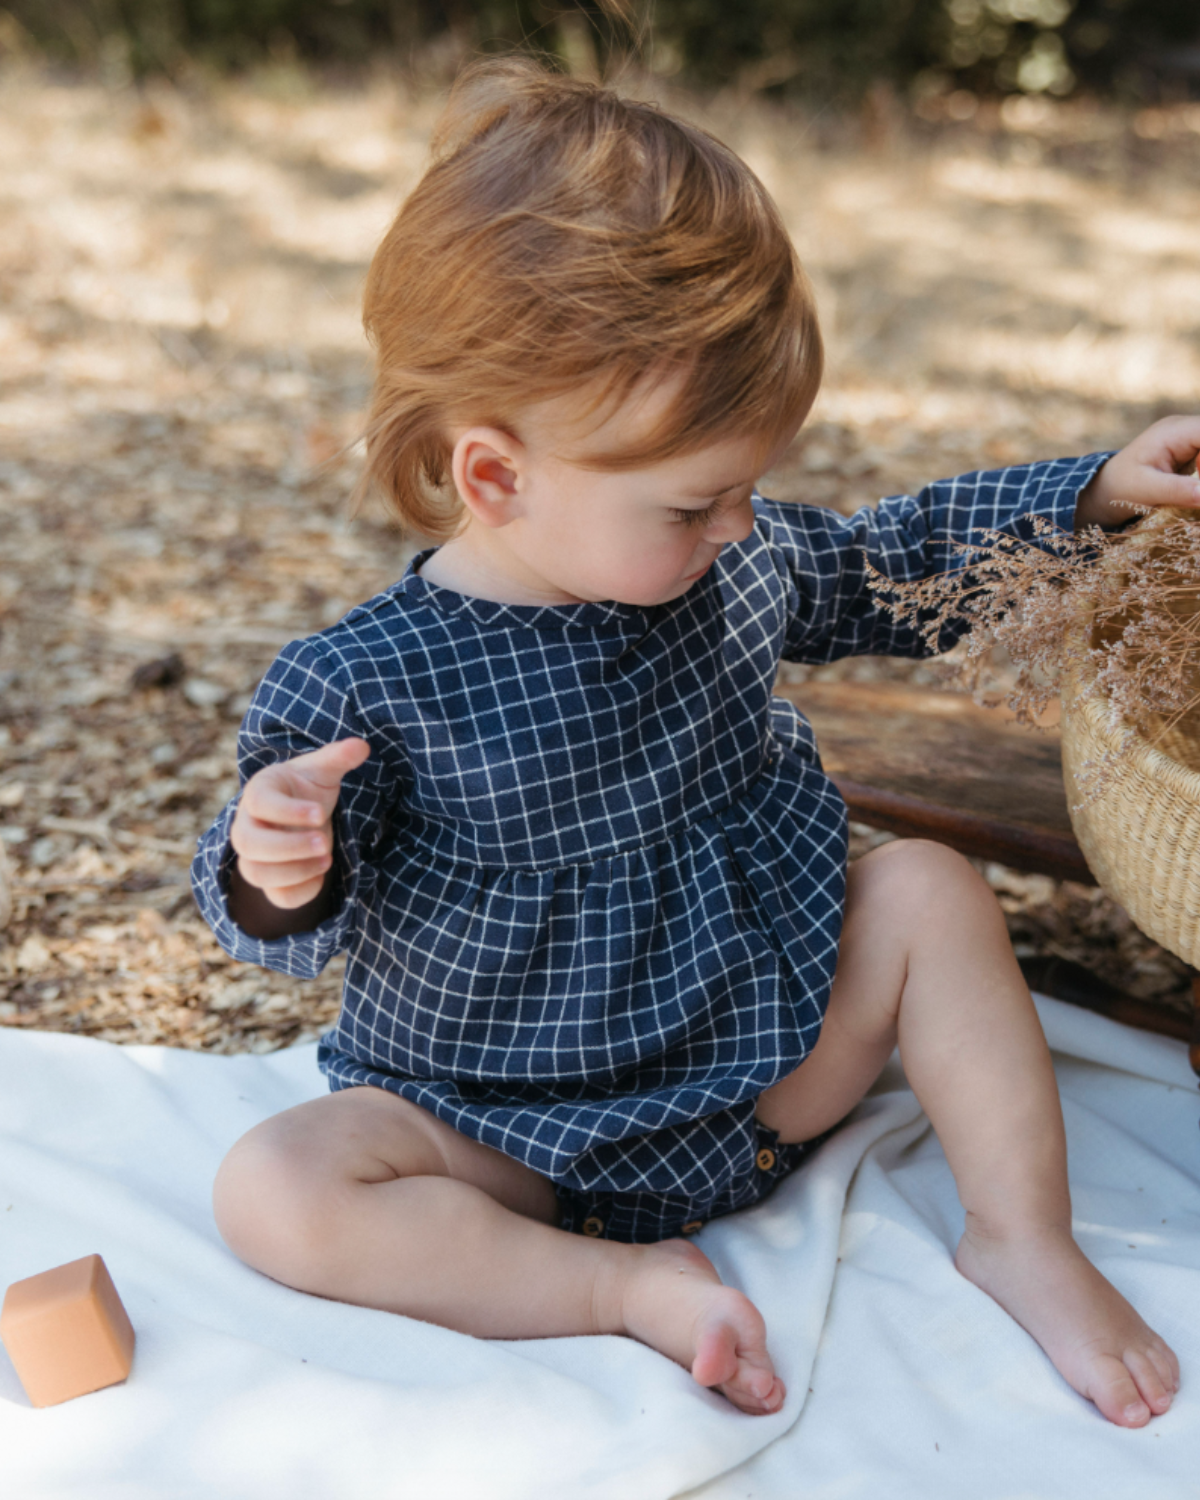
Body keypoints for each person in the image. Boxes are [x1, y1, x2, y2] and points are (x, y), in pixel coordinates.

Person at [192, 58, 1195, 1424]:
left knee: (929, 891)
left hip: (767, 1072)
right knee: (278, 1187)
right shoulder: (364, 682)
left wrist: (1084, 497)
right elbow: (276, 929)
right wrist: (273, 853)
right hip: (499, 1130)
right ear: (497, 474)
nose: (738, 524)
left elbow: (884, 562)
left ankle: (1021, 1234)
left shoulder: (728, 563)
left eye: (748, 487)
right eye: (695, 500)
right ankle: (616, 1290)